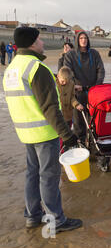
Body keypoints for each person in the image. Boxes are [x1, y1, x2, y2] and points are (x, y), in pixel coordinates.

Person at [3, 27, 82, 232]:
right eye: (40, 40)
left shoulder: (11, 68)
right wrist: (68, 135)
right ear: (31, 43)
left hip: (24, 132)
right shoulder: (36, 68)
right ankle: (56, 219)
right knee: (49, 176)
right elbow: (50, 108)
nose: (43, 43)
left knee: (32, 174)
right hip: (44, 132)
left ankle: (33, 215)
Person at [64, 31, 105, 142]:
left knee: (95, 122)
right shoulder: (70, 55)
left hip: (94, 93)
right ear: (77, 40)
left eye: (85, 38)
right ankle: (81, 146)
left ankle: (94, 144)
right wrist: (74, 84)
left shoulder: (94, 53)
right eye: (81, 38)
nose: (83, 40)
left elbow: (101, 70)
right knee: (79, 124)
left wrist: (97, 86)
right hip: (78, 94)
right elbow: (67, 72)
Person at [56, 66, 84, 149]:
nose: (64, 82)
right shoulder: (54, 84)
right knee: (59, 135)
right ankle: (60, 151)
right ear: (58, 76)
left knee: (67, 133)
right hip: (59, 116)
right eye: (62, 81)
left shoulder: (71, 84)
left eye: (66, 81)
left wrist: (77, 104)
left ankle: (66, 148)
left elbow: (72, 97)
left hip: (68, 114)